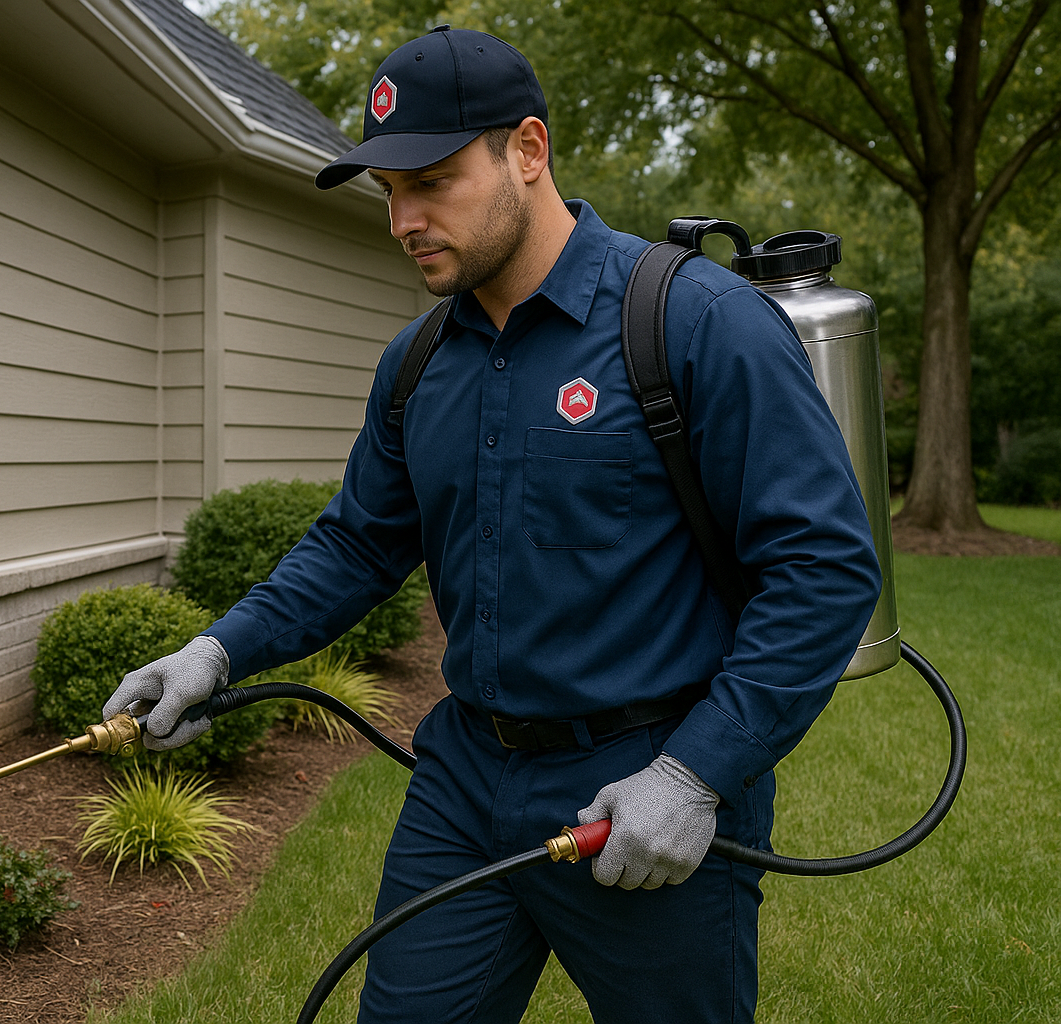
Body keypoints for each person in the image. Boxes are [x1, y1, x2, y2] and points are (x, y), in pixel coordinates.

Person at [104, 25, 881, 1024]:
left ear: (527, 150)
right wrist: (218, 649)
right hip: (465, 782)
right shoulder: (419, 361)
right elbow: (357, 540)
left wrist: (698, 773)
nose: (404, 219)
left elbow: (823, 569)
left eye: (430, 180)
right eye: (389, 192)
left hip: (646, 779)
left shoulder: (694, 323)